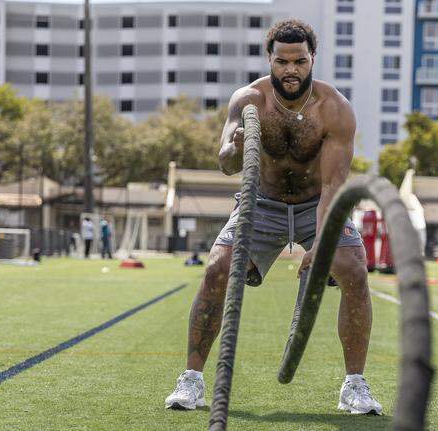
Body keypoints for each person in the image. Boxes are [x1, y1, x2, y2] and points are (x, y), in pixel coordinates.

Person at [165, 19, 381, 415]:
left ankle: (355, 386)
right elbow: (227, 164)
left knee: (353, 268)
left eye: (299, 61)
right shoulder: (248, 100)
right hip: (260, 204)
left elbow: (333, 185)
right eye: (282, 61)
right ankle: (192, 380)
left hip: (317, 203)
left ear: (312, 58)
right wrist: (235, 146)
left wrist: (322, 242)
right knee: (216, 268)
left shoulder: (335, 110)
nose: (291, 70)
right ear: (270, 59)